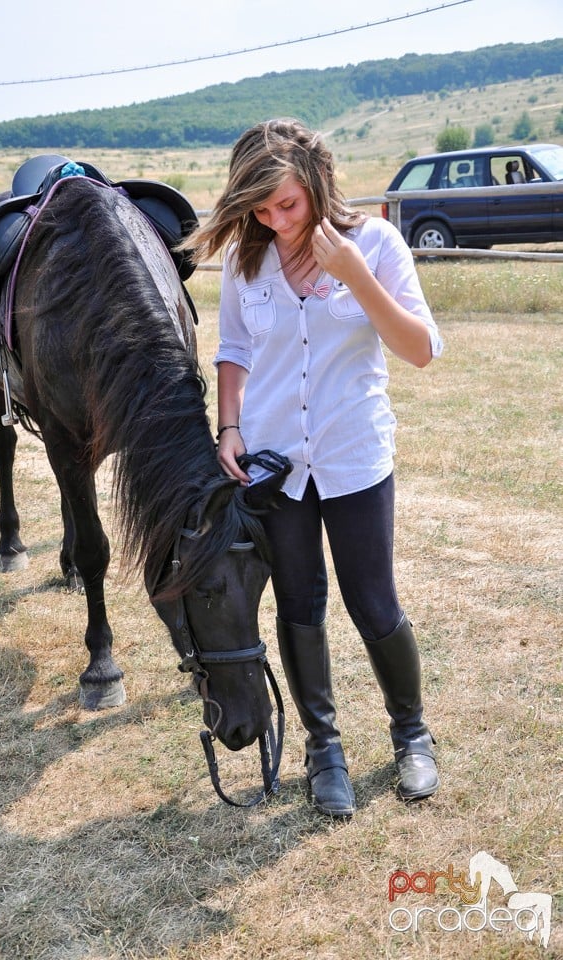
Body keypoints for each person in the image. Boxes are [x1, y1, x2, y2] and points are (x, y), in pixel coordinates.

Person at [186, 118, 443, 818]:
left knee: (374, 603)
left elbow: (419, 349)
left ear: (317, 181)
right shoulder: (249, 258)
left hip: (353, 456)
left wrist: (354, 276)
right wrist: (229, 425)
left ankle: (411, 735)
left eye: (287, 205)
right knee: (300, 604)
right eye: (260, 209)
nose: (276, 221)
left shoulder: (376, 245)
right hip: (273, 464)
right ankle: (322, 748)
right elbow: (233, 346)